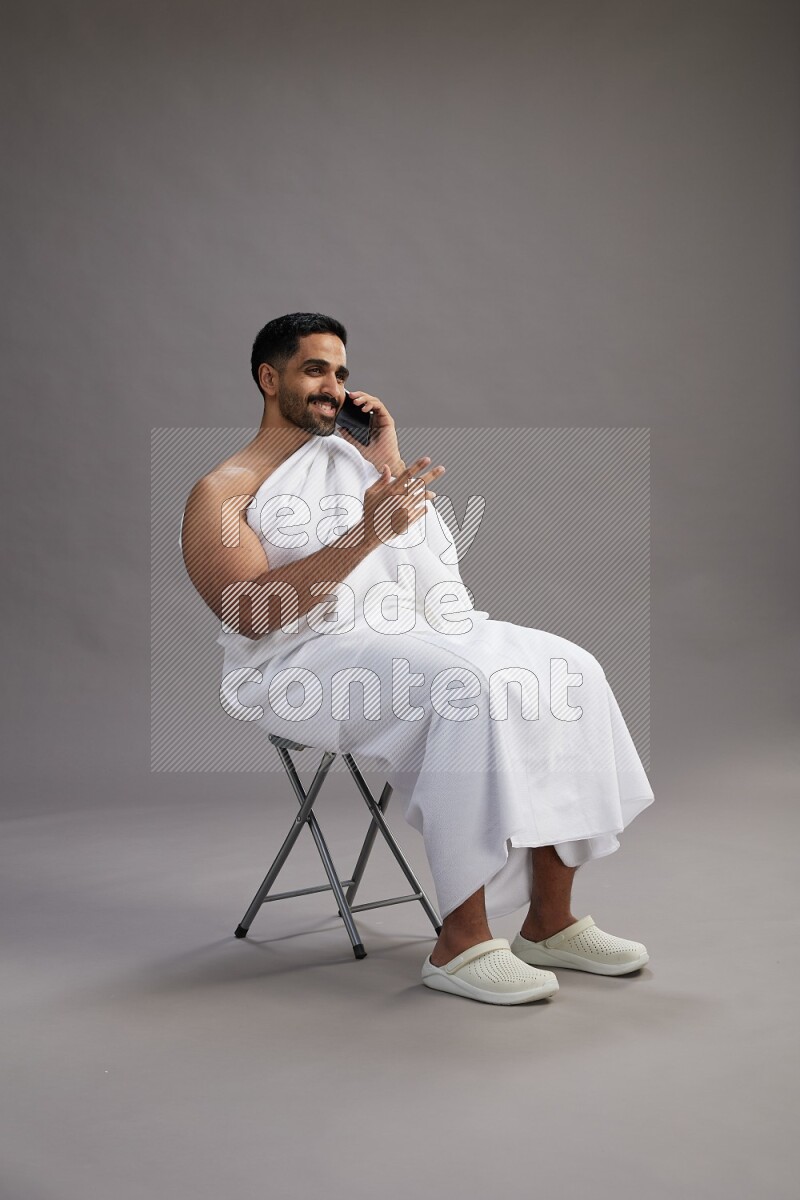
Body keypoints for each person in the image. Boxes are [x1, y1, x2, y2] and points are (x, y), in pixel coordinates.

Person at [180, 312, 655, 1006]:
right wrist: (368, 529)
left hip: (405, 631)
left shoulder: (357, 464)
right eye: (315, 370)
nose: (333, 387)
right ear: (268, 378)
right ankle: (460, 942)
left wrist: (387, 464)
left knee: (570, 669)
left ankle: (548, 924)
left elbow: (425, 574)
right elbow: (252, 614)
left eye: (340, 373)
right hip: (301, 661)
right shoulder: (222, 492)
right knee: (466, 688)